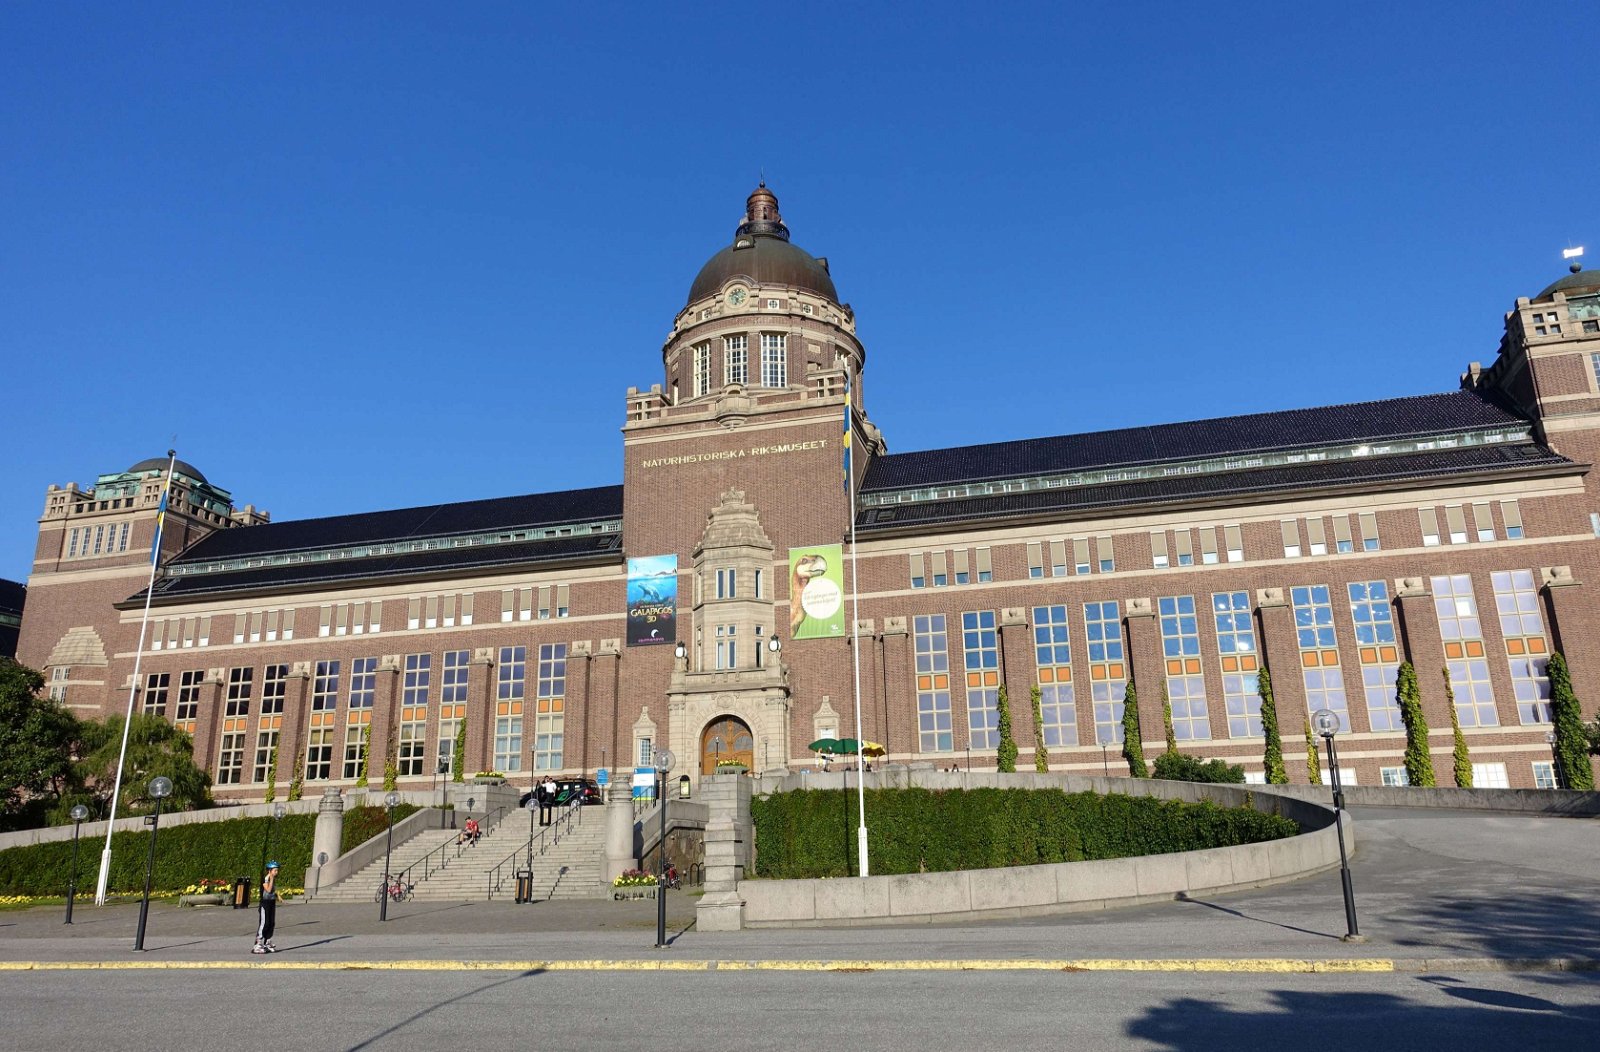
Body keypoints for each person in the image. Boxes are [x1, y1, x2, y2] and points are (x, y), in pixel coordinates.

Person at [253, 860, 280, 954]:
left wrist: (277, 895)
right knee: (264, 923)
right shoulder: (266, 879)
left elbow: (273, 890)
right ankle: (258, 943)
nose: (276, 872)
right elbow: (268, 890)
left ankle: (267, 941)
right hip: (265, 903)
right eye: (275, 870)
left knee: (271, 923)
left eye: (277, 870)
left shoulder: (272, 878)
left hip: (271, 902)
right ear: (270, 870)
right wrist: (271, 879)